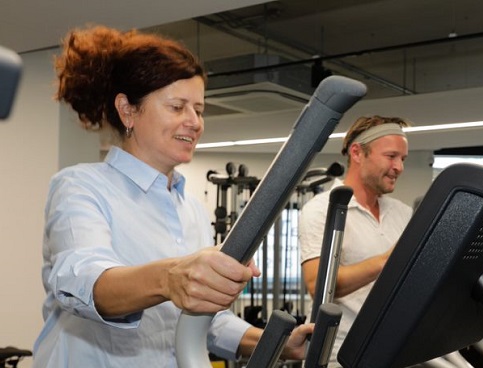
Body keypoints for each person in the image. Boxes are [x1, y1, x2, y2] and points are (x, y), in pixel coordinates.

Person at [33, 25, 312, 367]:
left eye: (199, 109)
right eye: (178, 107)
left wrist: (277, 343)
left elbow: (207, 322)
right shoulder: (81, 186)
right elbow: (84, 282)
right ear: (128, 110)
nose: (194, 121)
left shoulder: (191, 209)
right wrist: (170, 278)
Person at [299, 116, 470, 367]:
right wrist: (389, 261)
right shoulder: (322, 209)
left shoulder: (402, 212)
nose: (399, 167)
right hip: (340, 353)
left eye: (403, 159)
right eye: (391, 156)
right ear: (357, 153)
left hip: (395, 347)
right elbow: (317, 285)